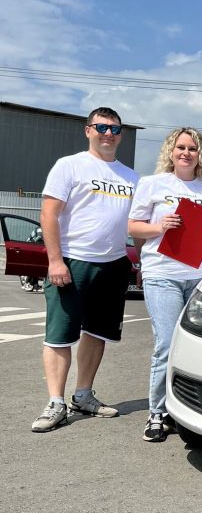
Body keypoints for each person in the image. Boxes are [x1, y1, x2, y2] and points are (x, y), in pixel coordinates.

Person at [32, 107, 138, 432]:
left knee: (97, 333)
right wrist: (55, 260)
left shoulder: (131, 177)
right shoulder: (69, 165)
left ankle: (83, 395)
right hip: (73, 261)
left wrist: (141, 262)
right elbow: (49, 214)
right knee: (59, 335)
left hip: (113, 265)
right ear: (88, 130)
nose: (108, 134)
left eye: (115, 129)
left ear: (121, 134)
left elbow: (139, 223)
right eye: (102, 127)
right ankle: (55, 403)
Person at [128, 127, 202, 443]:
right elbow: (133, 227)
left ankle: (191, 409)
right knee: (167, 344)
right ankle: (157, 413)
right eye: (181, 147)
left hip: (200, 275)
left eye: (192, 148)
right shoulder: (152, 184)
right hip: (163, 274)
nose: (186, 153)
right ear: (171, 151)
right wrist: (159, 227)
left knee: (201, 345)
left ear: (200, 154)